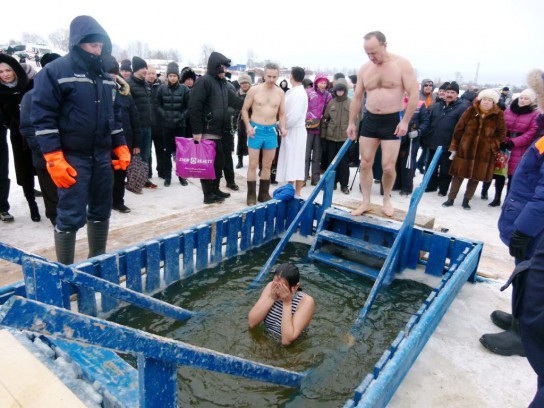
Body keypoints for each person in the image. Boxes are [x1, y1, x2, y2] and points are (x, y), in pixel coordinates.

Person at [31, 15, 129, 264]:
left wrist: (121, 145)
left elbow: (113, 117)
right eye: (92, 45)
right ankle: (65, 269)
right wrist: (53, 157)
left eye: (100, 46)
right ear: (78, 43)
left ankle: (97, 259)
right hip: (72, 156)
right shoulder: (55, 72)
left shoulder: (106, 77)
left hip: (101, 155)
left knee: (101, 208)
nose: (97, 51)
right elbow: (43, 118)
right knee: (70, 214)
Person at [480, 69, 544, 359]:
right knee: (524, 270)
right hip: (530, 217)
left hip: (537, 225)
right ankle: (519, 319)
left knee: (534, 276)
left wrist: (525, 227)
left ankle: (525, 335)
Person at [347, 31, 419, 217]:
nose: (372, 57)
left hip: (392, 120)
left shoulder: (401, 64)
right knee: (365, 163)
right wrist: (351, 123)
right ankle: (366, 201)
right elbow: (357, 97)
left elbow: (413, 94)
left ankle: (386, 198)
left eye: (374, 52)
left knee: (388, 166)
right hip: (370, 119)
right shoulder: (365, 69)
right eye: (368, 53)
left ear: (385, 45)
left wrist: (405, 121)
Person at [188, 51, 243, 204]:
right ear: (216, 66)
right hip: (206, 130)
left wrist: (252, 101)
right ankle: (208, 194)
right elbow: (194, 107)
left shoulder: (223, 83)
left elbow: (235, 101)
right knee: (207, 163)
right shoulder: (204, 81)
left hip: (219, 131)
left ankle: (215, 188)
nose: (225, 70)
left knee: (219, 162)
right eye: (223, 67)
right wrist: (197, 131)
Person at [441, 89, 506, 209]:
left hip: (484, 153)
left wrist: (492, 145)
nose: (486, 102)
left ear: (494, 103)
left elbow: (502, 133)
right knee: (458, 175)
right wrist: (455, 147)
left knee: (475, 178)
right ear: (480, 100)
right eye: (485, 99)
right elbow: (459, 129)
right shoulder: (470, 111)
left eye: (490, 100)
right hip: (465, 150)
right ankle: (451, 199)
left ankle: (466, 201)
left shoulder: (498, 115)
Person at [19, 53, 62, 226]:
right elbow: (27, 128)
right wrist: (45, 149)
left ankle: (69, 215)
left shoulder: (65, 92)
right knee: (51, 189)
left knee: (67, 188)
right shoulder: (31, 96)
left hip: (68, 152)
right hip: (46, 154)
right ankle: (55, 218)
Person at [481, 88, 540, 206]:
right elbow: (501, 125)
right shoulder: (509, 110)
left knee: (513, 175)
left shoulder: (535, 114)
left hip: (519, 148)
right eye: (521, 98)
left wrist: (514, 142)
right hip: (504, 144)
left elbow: (532, 132)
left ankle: (508, 200)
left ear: (532, 101)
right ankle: (497, 198)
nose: (522, 100)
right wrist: (502, 139)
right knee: (499, 172)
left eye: (526, 99)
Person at [0, 54, 40, 222]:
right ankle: (30, 204)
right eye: (0, 72)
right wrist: (9, 122)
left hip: (38, 131)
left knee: (42, 166)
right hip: (16, 133)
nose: (5, 74)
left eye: (8, 70)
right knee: (22, 168)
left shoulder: (30, 84)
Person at [241, 62, 286, 205]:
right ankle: (251, 195)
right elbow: (244, 110)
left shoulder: (280, 92)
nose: (272, 79)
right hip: (256, 130)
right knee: (253, 164)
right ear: (264, 75)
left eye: (274, 77)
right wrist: (248, 126)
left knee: (267, 164)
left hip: (271, 131)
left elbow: (282, 113)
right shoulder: (254, 90)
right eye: (269, 76)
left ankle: (264, 193)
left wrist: (283, 127)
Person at [102, 55, 142, 214]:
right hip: (104, 142)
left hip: (124, 141)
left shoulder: (124, 93)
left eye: (114, 72)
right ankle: (104, 202)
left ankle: (119, 201)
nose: (112, 75)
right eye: (109, 72)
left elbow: (135, 119)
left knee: (120, 174)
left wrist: (137, 143)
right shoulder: (98, 92)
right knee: (105, 175)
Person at [248, 263, 315, 346]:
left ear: (295, 287)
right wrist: (271, 298)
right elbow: (252, 322)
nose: (278, 289)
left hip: (291, 349)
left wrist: (287, 303)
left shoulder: (306, 302)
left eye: (282, 287)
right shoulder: (271, 287)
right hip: (266, 339)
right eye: (275, 283)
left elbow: (286, 341)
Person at [421, 81, 469, 196]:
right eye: (447, 92)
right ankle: (431, 185)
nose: (449, 94)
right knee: (430, 166)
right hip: (433, 142)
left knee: (445, 170)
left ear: (457, 94)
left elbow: (463, 128)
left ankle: (443, 189)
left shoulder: (462, 108)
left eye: (452, 92)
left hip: (448, 145)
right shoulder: (436, 106)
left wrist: (456, 145)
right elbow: (429, 122)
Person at [156, 61, 190, 187]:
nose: (172, 78)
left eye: (174, 76)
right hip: (166, 126)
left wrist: (181, 116)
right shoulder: (162, 88)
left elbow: (189, 107)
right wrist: (164, 115)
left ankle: (182, 176)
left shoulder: (184, 89)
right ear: (167, 76)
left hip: (180, 126)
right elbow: (157, 105)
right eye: (170, 76)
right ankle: (168, 177)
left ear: (178, 76)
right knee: (166, 152)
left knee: (181, 153)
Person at [276, 66, 308, 197]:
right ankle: (290, 187)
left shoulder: (300, 93)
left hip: (296, 130)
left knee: (298, 161)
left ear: (291, 76)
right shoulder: (294, 91)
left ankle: (298, 191)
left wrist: (281, 125)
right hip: (289, 130)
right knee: (290, 160)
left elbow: (293, 116)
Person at [126, 56, 157, 189]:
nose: (145, 70)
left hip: (147, 125)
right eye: (143, 68)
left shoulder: (145, 84)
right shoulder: (128, 84)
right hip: (135, 127)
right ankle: (132, 180)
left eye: (146, 68)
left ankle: (143, 179)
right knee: (134, 154)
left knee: (146, 153)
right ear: (136, 69)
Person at [321, 78, 353, 194]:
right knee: (331, 162)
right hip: (331, 137)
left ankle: (344, 185)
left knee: (344, 163)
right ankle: (331, 183)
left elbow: (356, 120)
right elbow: (325, 119)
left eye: (342, 90)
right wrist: (323, 136)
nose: (339, 92)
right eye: (338, 90)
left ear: (345, 90)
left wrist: (353, 137)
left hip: (344, 138)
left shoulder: (351, 103)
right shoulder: (331, 103)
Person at [394, 94, 429, 195]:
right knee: (396, 161)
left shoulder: (420, 104)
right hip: (397, 137)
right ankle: (396, 183)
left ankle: (407, 187)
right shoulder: (398, 101)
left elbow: (425, 122)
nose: (407, 94)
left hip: (412, 138)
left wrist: (418, 131)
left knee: (408, 163)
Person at [305, 73, 332, 186]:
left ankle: (315, 178)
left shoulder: (328, 95)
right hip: (307, 126)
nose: (323, 85)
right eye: (321, 82)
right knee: (305, 154)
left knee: (317, 154)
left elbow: (328, 111)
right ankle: (303, 177)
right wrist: (309, 117)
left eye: (325, 83)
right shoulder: (308, 93)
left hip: (320, 127)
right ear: (316, 82)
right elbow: (303, 107)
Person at [415, 79, 436, 174]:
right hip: (418, 126)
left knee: (426, 149)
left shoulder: (434, 97)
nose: (428, 87)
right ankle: (412, 168)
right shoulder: (417, 96)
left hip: (429, 128)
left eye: (430, 85)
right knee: (415, 148)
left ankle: (420, 163)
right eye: (426, 85)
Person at [234, 73, 251, 169]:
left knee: (254, 141)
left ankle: (255, 161)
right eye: (242, 83)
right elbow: (235, 110)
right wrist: (234, 123)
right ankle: (240, 160)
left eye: (246, 82)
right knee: (240, 140)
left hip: (253, 120)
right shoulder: (237, 94)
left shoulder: (253, 93)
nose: (244, 85)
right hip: (241, 121)